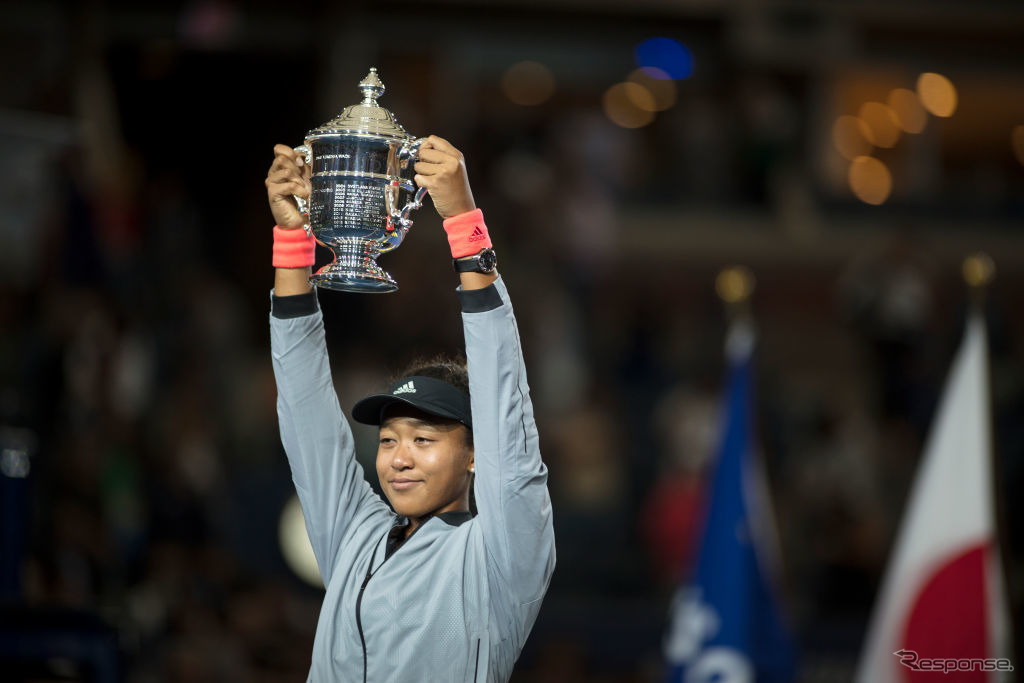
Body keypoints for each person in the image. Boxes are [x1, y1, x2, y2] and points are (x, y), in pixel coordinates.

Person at [264, 136, 556, 682]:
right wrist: (291, 239)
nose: (399, 457)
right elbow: (303, 406)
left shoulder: (499, 556)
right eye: (390, 439)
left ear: (475, 455)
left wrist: (466, 224)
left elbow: (505, 400)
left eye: (424, 440)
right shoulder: (354, 535)